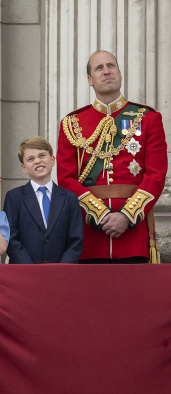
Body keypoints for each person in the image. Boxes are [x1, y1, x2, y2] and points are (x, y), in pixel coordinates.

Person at [56, 50, 167, 263]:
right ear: (90, 79)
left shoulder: (148, 119)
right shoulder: (72, 124)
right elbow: (66, 179)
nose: (106, 71)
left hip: (133, 237)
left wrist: (126, 216)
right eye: (99, 68)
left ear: (120, 73)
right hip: (89, 238)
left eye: (111, 66)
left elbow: (156, 175)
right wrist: (100, 215)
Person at [3, 137, 83, 263]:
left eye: (42, 155)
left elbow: (76, 239)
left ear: (52, 160)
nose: (37, 161)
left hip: (61, 273)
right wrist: (32, 270)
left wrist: (62, 269)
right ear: (24, 168)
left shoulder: (69, 198)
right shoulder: (14, 197)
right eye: (31, 159)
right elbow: (11, 237)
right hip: (25, 272)